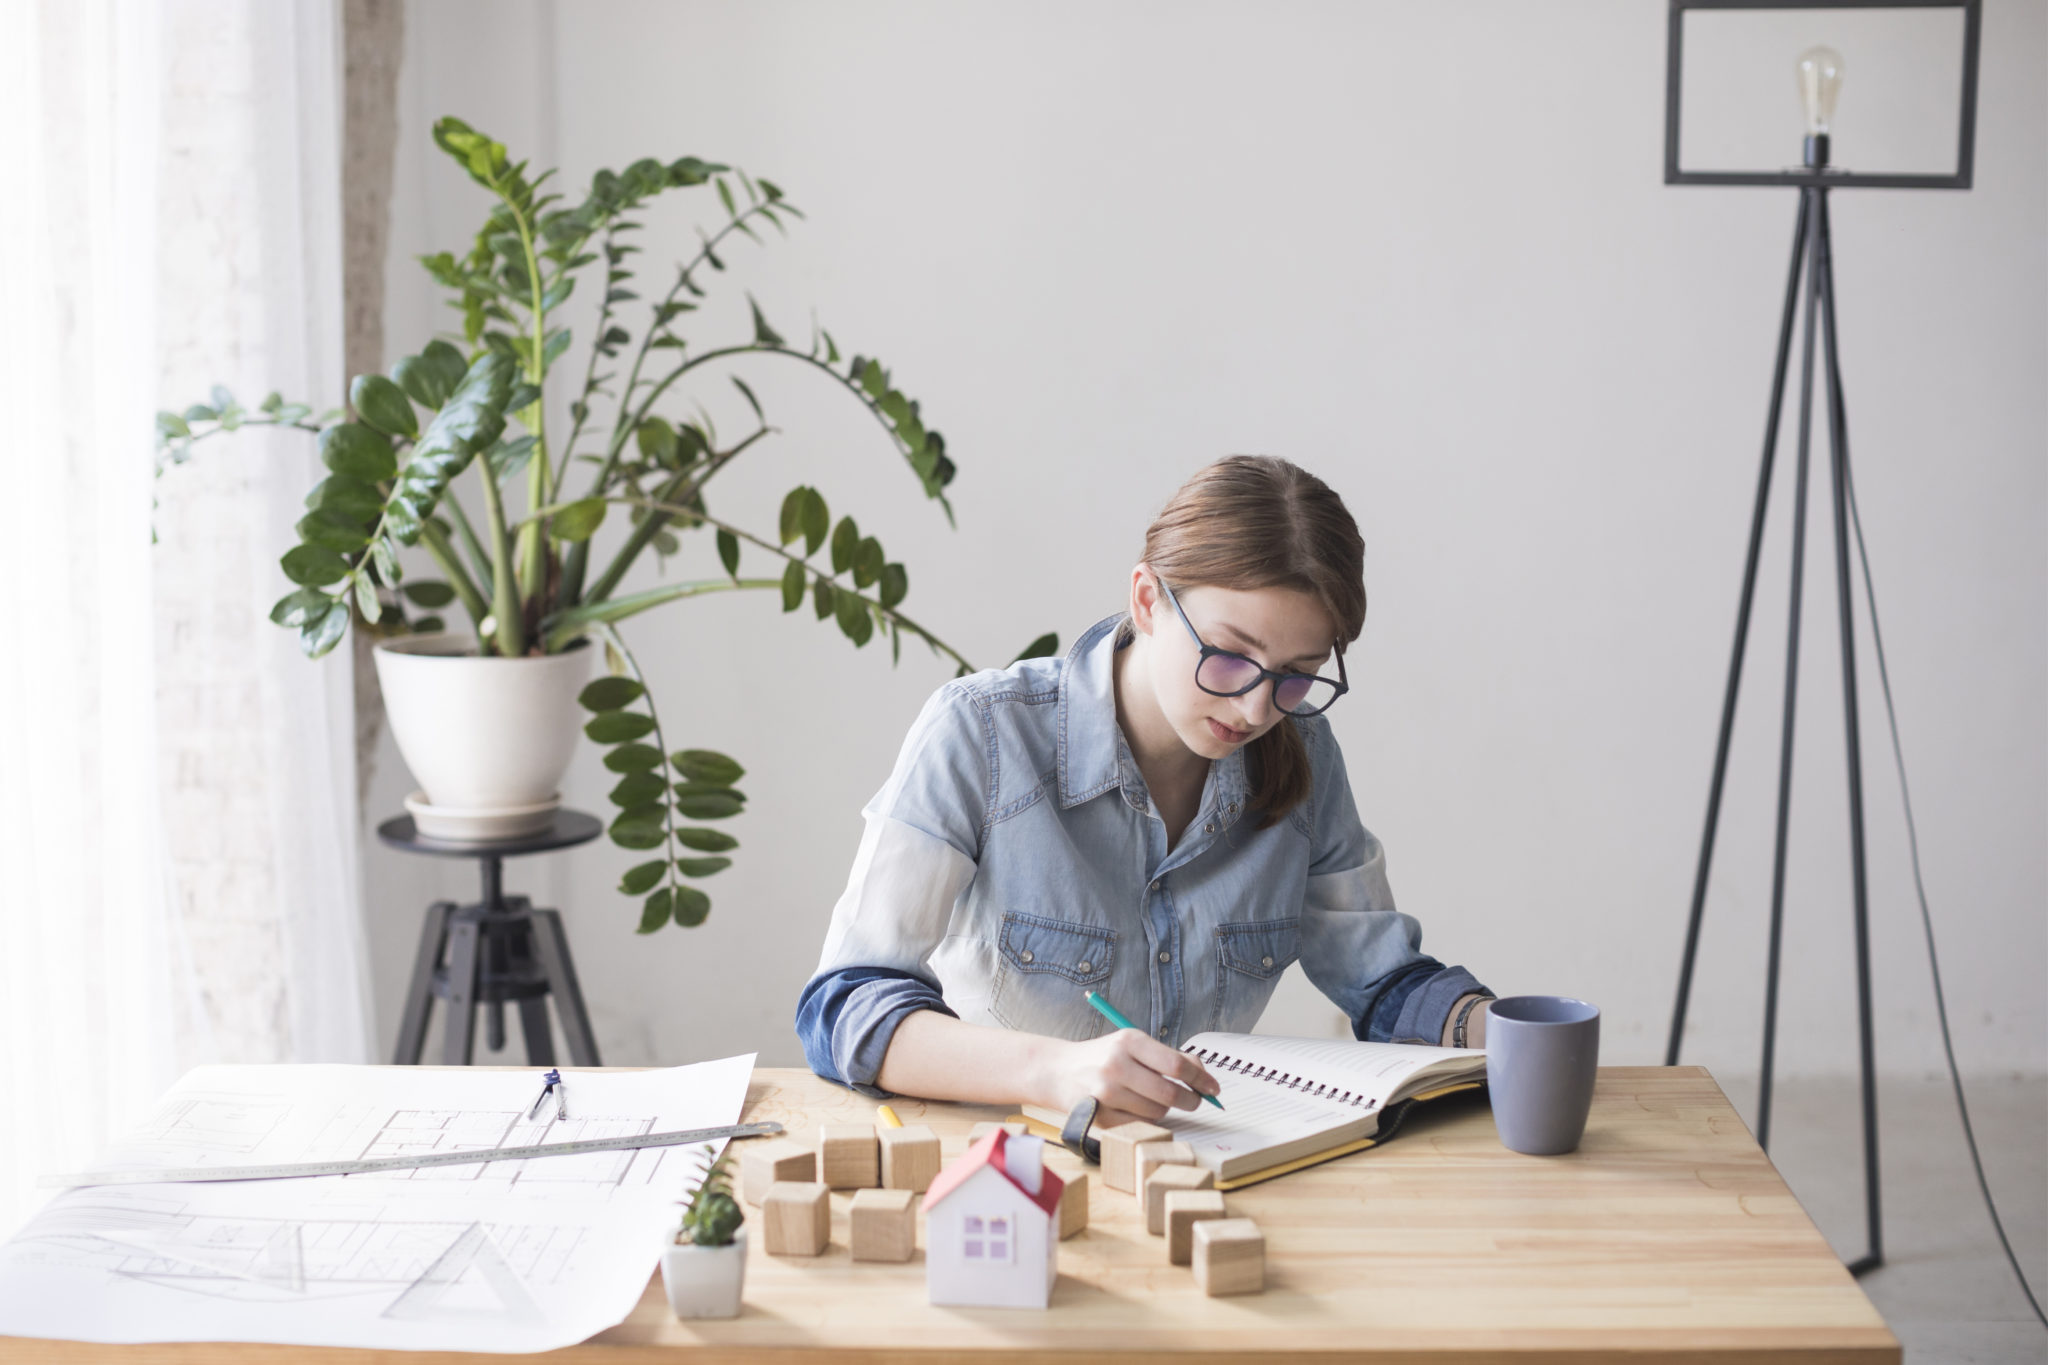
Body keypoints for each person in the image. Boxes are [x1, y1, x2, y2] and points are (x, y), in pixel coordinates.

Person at [795, 455, 1493, 1123]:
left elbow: (1382, 982)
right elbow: (846, 1005)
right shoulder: (980, 733)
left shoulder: (1304, 752)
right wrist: (1053, 1071)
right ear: (1147, 599)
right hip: (1010, 1170)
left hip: (1209, 1170)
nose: (1256, 710)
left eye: (1295, 674)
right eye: (1227, 657)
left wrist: (1490, 1025)